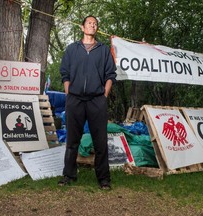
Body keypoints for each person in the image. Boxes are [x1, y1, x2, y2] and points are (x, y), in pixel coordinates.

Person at [58, 15, 117, 189]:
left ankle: (103, 178)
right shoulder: (71, 49)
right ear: (82, 27)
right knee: (72, 141)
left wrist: (104, 95)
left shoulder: (103, 50)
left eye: (95, 24)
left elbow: (110, 75)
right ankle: (68, 175)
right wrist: (69, 93)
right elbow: (65, 73)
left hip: (96, 101)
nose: (92, 25)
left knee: (100, 142)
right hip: (75, 100)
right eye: (89, 23)